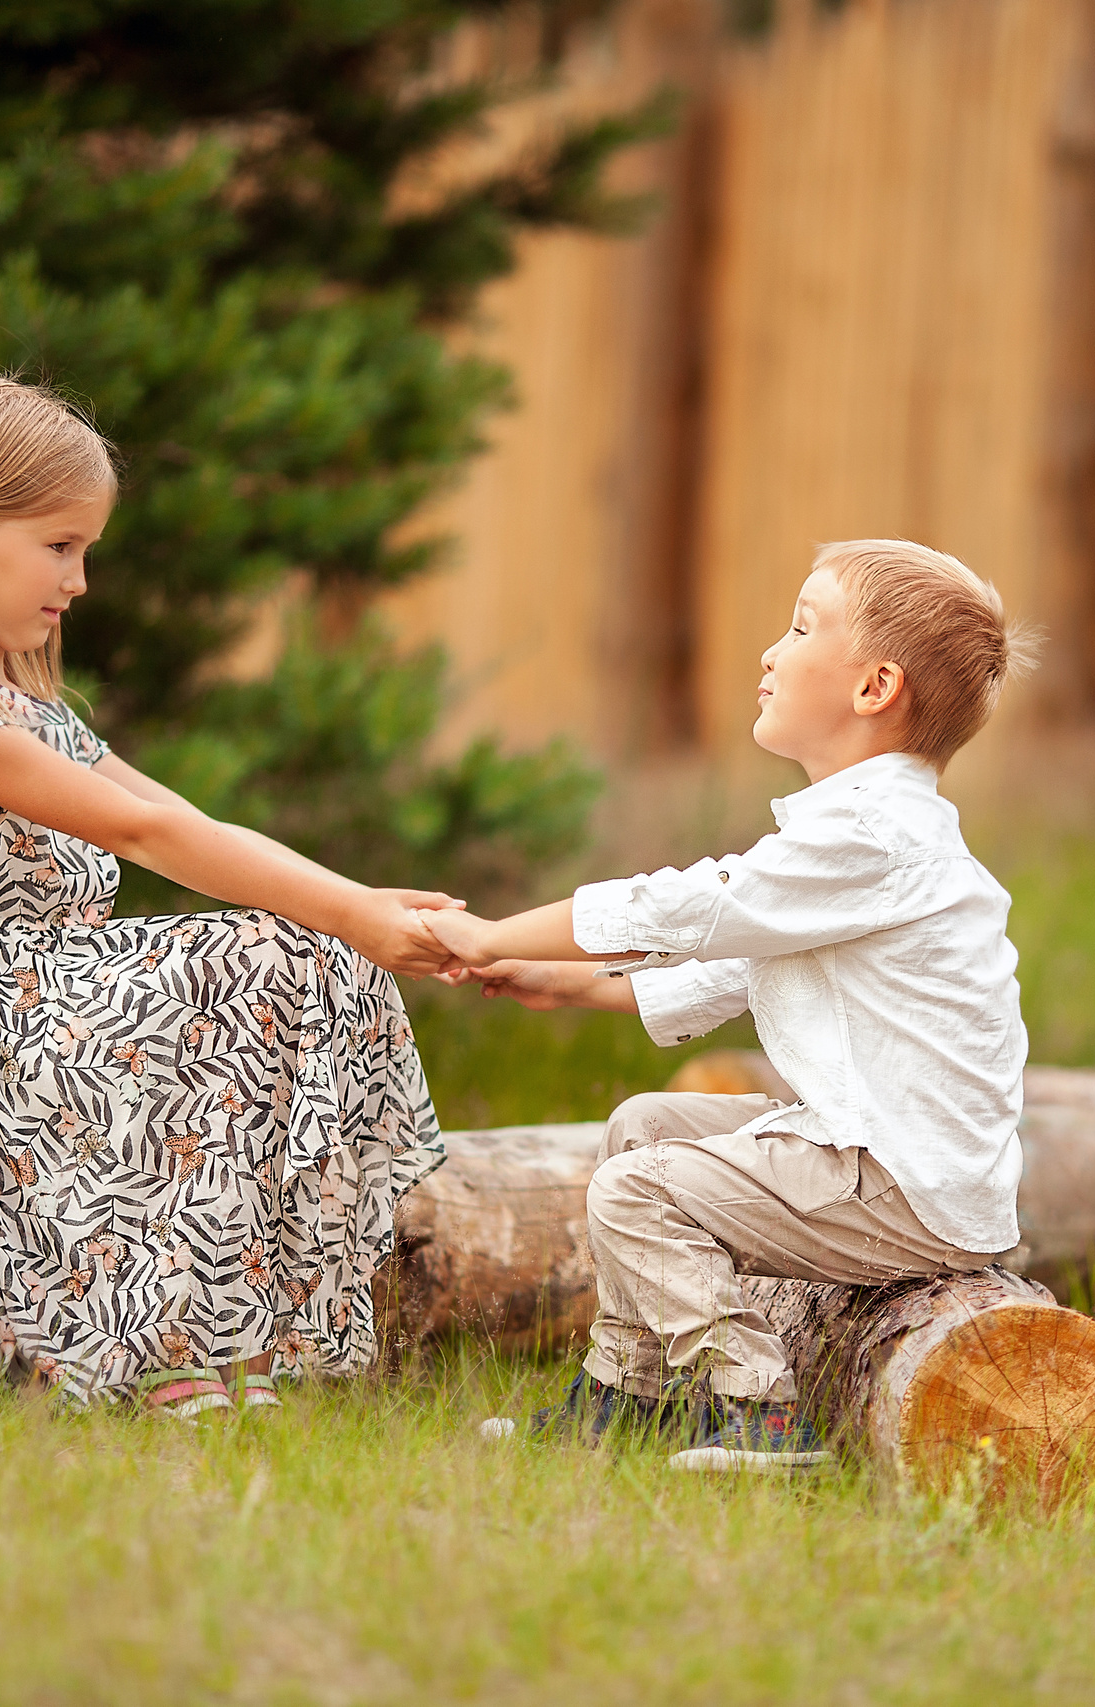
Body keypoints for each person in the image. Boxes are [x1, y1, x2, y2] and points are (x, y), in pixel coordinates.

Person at [0, 373, 455, 1420]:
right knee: (253, 954)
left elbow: (196, 823)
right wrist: (346, 911)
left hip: (50, 994)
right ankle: (151, 1348)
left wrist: (354, 905)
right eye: (58, 546)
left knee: (305, 952)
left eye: (86, 553)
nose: (77, 581)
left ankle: (244, 1338)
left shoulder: (36, 709)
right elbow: (144, 835)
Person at [423, 539, 1039, 1472]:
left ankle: (758, 1407)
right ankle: (633, 1392)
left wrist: (499, 934)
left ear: (875, 687)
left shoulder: (874, 834)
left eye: (799, 627)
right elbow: (729, 968)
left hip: (906, 1180)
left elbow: (695, 907)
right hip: (875, 1149)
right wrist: (568, 981)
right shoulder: (858, 834)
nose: (769, 652)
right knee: (641, 1126)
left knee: (635, 1190)